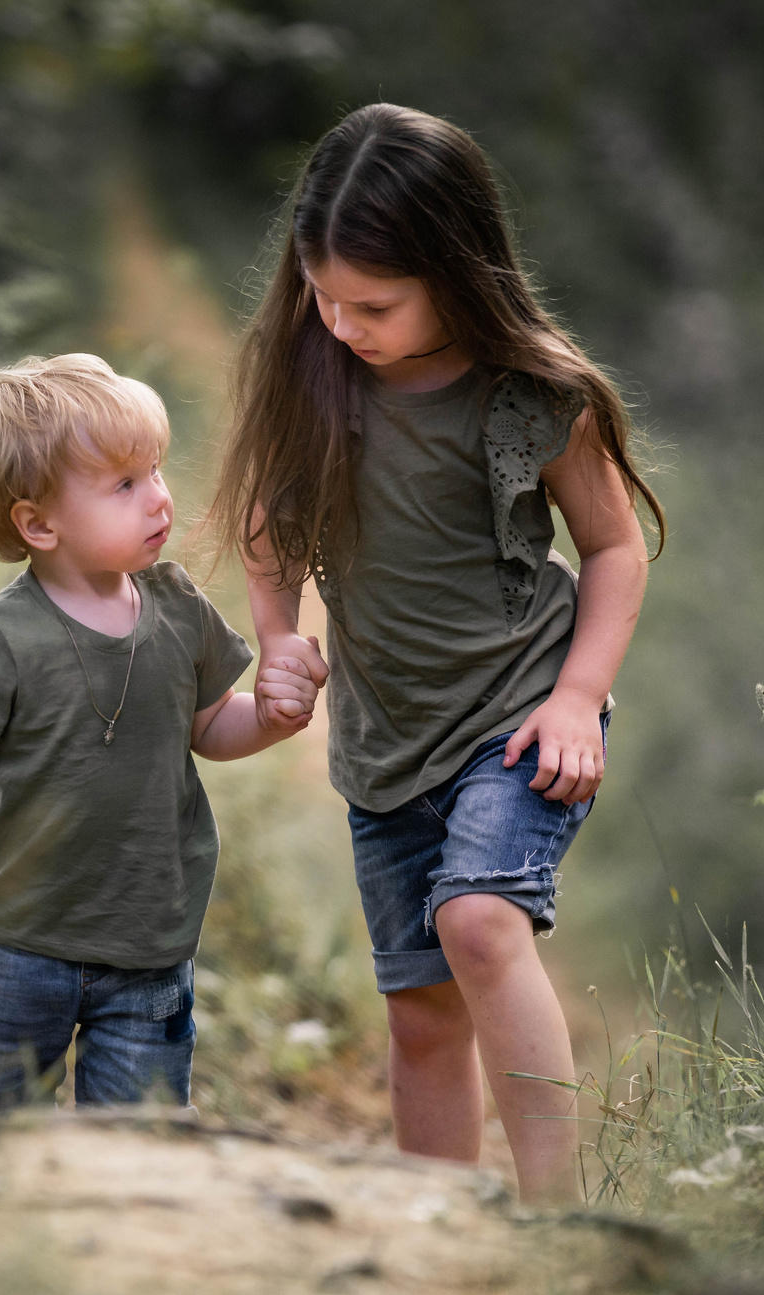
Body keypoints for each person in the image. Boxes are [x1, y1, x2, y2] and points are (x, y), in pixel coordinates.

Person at [215, 105, 664, 1204]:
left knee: (476, 917)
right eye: (322, 295)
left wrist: (577, 701)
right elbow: (270, 532)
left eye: (373, 303)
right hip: (386, 739)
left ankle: (556, 1219)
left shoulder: (530, 396)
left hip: (522, 713)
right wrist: (279, 641)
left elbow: (612, 549)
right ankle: (434, 1228)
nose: (341, 321)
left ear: (453, 271)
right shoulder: (312, 377)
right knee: (420, 1009)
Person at [0, 353, 326, 1113]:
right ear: (38, 523)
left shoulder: (178, 605)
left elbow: (208, 726)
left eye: (157, 472)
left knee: (139, 1149)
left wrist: (268, 717)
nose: (159, 500)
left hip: (150, 945)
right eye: (125, 486)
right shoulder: (2, 635)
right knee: (2, 1136)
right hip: (22, 941)